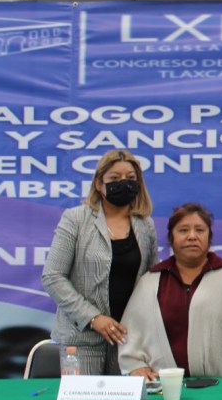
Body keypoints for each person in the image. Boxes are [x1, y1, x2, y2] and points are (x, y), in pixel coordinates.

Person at [41, 149, 158, 375]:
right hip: (81, 339)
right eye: (114, 179)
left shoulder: (145, 225)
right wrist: (93, 318)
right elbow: (52, 276)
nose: (123, 184)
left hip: (128, 339)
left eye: (131, 179)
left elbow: (151, 280)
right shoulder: (75, 218)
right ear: (98, 183)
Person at [118, 203, 222, 378]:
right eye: (183, 230)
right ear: (171, 238)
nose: (192, 236)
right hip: (166, 390)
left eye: (200, 230)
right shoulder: (151, 281)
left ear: (209, 237)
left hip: (221, 388)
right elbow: (130, 332)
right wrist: (135, 366)